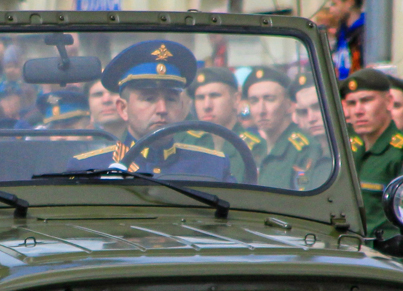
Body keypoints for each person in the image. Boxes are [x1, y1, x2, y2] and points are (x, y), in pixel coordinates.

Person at [68, 41, 229, 178]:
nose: (162, 109)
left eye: (171, 99)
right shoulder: (89, 169)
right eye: (149, 99)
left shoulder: (212, 167)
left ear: (182, 108)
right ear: (123, 109)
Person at [338, 69, 403, 228]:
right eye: (352, 103)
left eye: (366, 101)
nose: (358, 111)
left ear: (388, 102)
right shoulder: (350, 150)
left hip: (386, 249)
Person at [241, 68, 324, 190]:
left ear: (289, 105)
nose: (261, 110)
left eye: (269, 99)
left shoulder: (304, 149)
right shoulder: (254, 149)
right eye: (254, 101)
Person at [315, 0, 365, 79]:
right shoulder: (341, 32)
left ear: (349, 2)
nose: (331, 10)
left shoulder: (365, 33)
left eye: (334, 4)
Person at [193, 67, 241, 131]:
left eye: (214, 96)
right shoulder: (188, 140)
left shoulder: (244, 141)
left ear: (235, 99)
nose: (206, 106)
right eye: (200, 98)